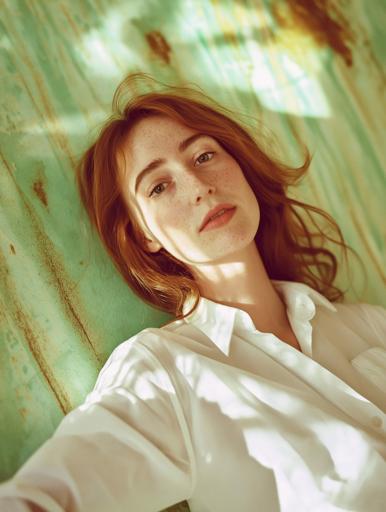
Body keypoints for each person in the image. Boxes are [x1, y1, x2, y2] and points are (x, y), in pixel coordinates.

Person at [0, 72, 385, 512]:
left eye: (204, 156)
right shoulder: (166, 373)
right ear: (144, 234)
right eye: (159, 186)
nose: (199, 186)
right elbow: (51, 495)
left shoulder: (371, 323)